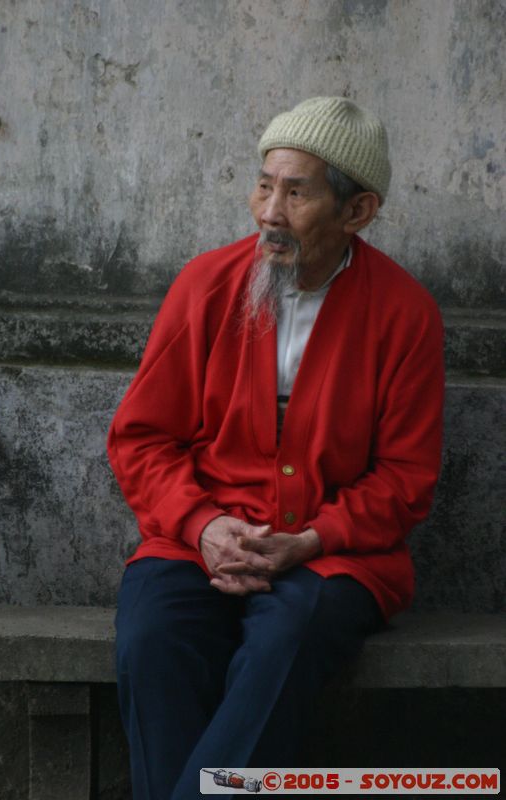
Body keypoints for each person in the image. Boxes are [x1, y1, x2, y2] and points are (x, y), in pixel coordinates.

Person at [107, 96, 444, 800]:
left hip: (331, 557)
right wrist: (202, 526)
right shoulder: (204, 286)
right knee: (152, 638)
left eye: (296, 192)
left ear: (356, 212)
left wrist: (310, 539)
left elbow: (405, 477)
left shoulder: (403, 313)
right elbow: (142, 439)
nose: (268, 210)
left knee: (288, 637)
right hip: (195, 537)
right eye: (264, 184)